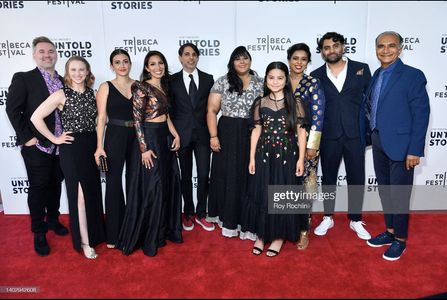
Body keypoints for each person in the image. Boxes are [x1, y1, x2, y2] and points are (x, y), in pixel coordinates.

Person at [361, 31, 430, 261]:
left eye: (391, 46)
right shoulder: (376, 75)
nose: (386, 50)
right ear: (376, 49)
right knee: (385, 191)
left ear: (400, 48)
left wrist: (414, 149)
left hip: (402, 145)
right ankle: (390, 231)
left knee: (399, 194)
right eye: (381, 46)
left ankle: (400, 240)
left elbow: (421, 114)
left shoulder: (412, 76)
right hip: (379, 141)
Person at [31, 56, 106, 259]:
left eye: (81, 69)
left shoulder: (95, 94)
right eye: (73, 70)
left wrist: (100, 145)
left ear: (88, 71)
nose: (78, 73)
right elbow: (35, 117)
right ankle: (84, 242)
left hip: (91, 147)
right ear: (67, 72)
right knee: (79, 197)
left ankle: (96, 234)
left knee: (92, 193)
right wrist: (54, 139)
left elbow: (101, 120)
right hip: (71, 149)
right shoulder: (61, 94)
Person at [5, 36, 69, 256]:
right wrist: (27, 138)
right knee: (39, 187)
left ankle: (53, 219)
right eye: (42, 52)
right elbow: (13, 111)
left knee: (55, 183)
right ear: (34, 55)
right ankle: (38, 231)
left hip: (61, 146)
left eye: (50, 51)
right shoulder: (24, 78)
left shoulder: (64, 80)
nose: (47, 55)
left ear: (56, 54)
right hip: (37, 145)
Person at [117, 50, 183, 257]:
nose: (158, 67)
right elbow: (137, 120)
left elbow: (166, 116)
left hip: (164, 138)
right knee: (154, 187)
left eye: (160, 63)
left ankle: (163, 231)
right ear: (146, 68)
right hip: (150, 139)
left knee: (167, 185)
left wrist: (176, 135)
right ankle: (149, 237)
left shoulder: (164, 86)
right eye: (153, 64)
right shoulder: (141, 87)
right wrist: (144, 149)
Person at [243, 61, 309, 257]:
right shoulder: (260, 102)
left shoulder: (295, 102)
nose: (275, 81)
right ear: (266, 79)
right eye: (271, 77)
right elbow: (256, 130)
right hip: (263, 155)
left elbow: (302, 132)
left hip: (287, 156)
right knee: (263, 194)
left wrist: (301, 159)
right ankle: (262, 236)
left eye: (280, 78)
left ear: (286, 80)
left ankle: (279, 236)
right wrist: (251, 157)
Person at [311, 32, 372, 240]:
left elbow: (371, 102)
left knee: (356, 177)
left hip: (355, 133)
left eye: (335, 46)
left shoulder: (361, 69)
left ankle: (355, 219)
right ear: (322, 52)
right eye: (326, 47)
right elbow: (314, 109)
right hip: (328, 135)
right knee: (328, 178)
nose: (331, 50)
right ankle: (328, 216)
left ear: (343, 46)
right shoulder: (316, 74)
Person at [207, 46, 264, 240]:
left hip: (253, 132)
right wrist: (214, 136)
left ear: (250, 60)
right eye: (238, 58)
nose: (242, 62)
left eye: (245, 58)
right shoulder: (222, 82)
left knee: (250, 175)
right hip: (228, 133)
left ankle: (248, 220)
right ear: (232, 62)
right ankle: (228, 218)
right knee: (228, 175)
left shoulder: (261, 82)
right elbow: (212, 111)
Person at [169, 43, 215, 232]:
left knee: (204, 175)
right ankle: (188, 212)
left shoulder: (208, 79)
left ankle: (201, 213)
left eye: (194, 54)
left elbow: (212, 109)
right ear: (180, 57)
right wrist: (173, 134)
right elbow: (169, 110)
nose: (190, 58)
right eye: (186, 54)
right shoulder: (171, 81)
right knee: (185, 176)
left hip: (203, 135)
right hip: (181, 135)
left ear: (198, 57)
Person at [94, 49, 137, 249]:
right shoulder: (105, 87)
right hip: (115, 135)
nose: (122, 65)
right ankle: (113, 233)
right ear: (112, 66)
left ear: (130, 64)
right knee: (112, 182)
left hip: (137, 136)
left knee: (134, 182)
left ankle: (133, 229)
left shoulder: (138, 85)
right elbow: (101, 118)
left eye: (125, 61)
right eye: (117, 62)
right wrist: (99, 147)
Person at [287, 43, 326, 250]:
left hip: (306, 143)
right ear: (289, 60)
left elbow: (318, 117)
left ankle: (303, 229)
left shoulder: (313, 83)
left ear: (308, 61)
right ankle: (285, 227)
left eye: (303, 59)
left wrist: (312, 146)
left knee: (305, 187)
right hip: (282, 144)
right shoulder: (280, 81)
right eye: (295, 58)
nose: (299, 62)